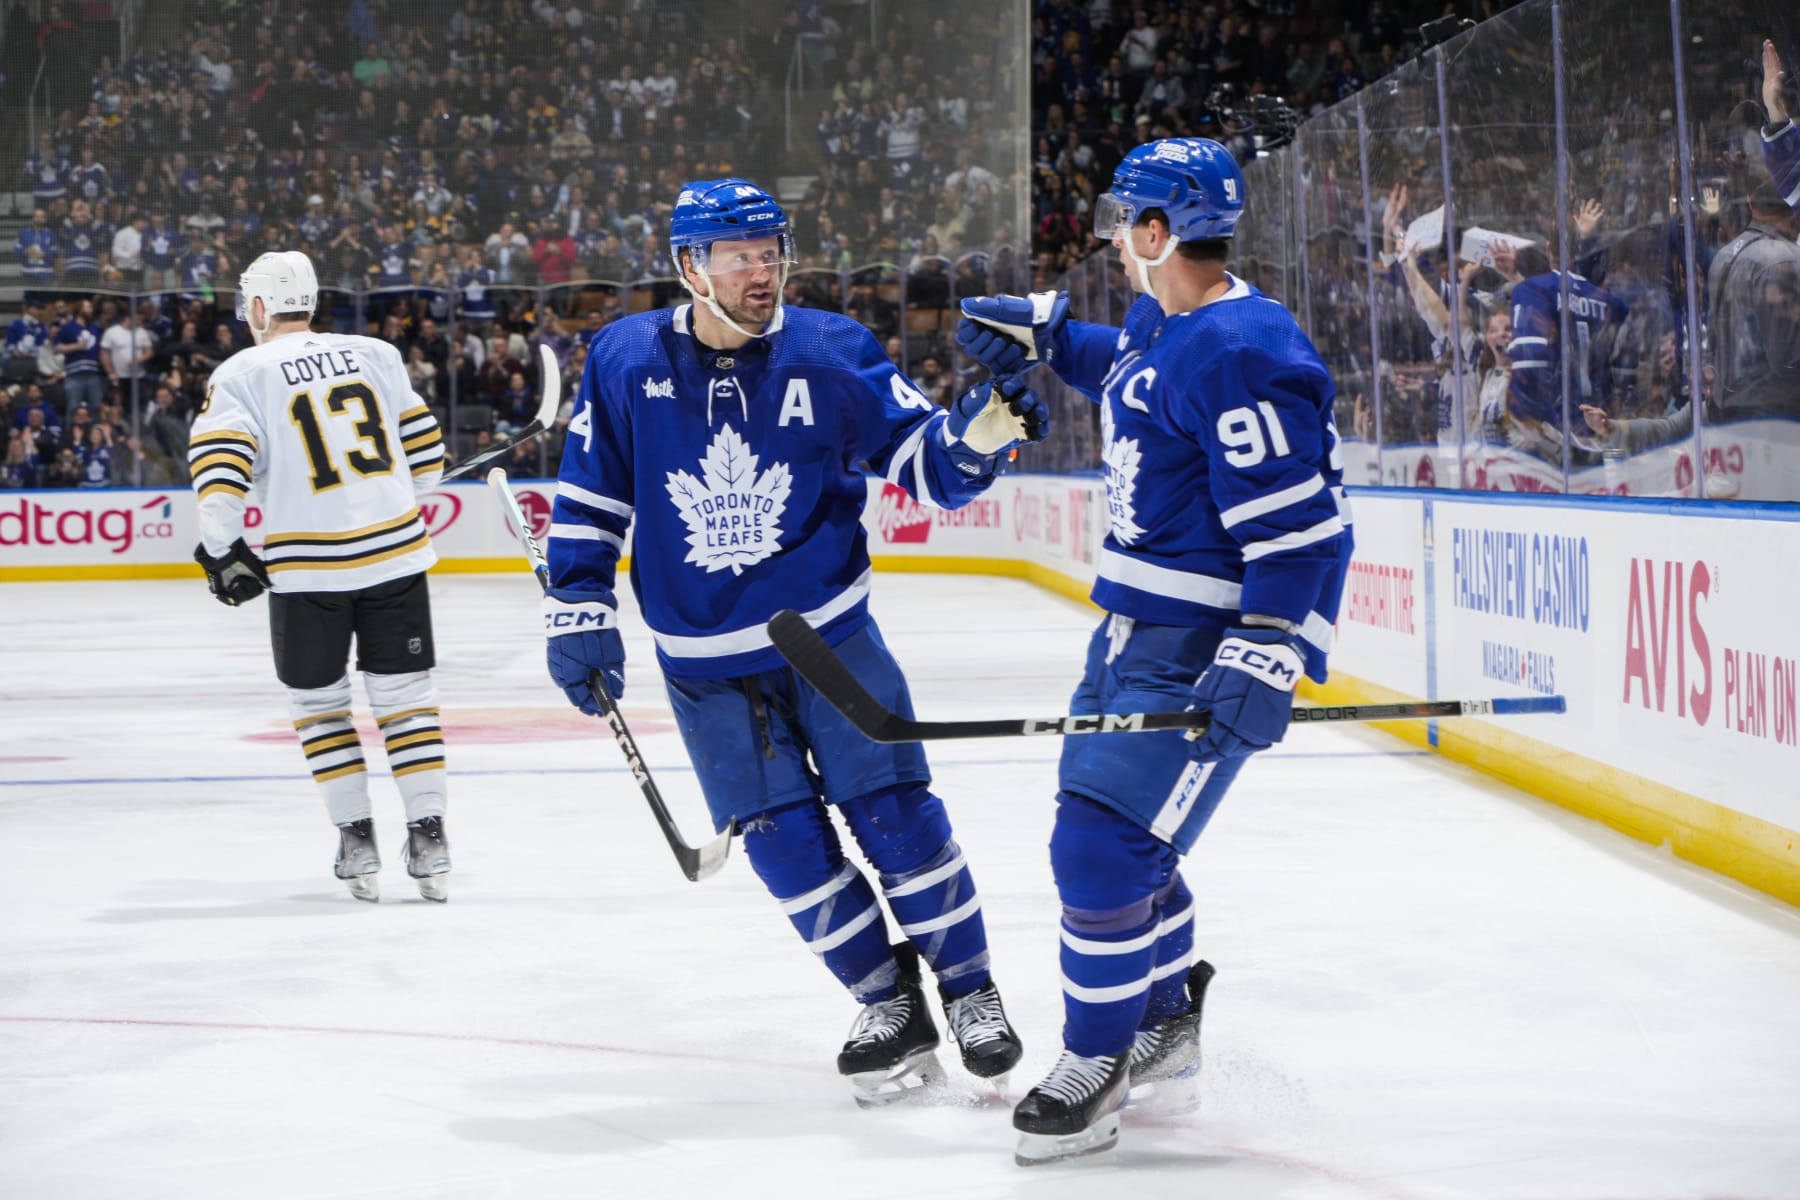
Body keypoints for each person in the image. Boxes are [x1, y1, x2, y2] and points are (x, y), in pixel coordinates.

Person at [542, 178, 1047, 1104]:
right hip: (703, 668)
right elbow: (591, 495)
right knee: (782, 848)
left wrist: (974, 443)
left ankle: (973, 991)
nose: (762, 271)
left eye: (770, 251)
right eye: (739, 257)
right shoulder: (620, 359)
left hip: (830, 643)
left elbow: (922, 466)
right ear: (690, 266)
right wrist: (577, 605)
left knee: (895, 816)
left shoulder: (831, 349)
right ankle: (884, 998)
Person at [957, 138, 1353, 1165]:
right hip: (1130, 629)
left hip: (1200, 640)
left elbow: (1298, 533)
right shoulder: (1169, 319)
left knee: (1098, 849)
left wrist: (1265, 647)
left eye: (1123, 222)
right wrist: (1050, 338)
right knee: (1127, 843)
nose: (1113, 241)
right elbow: (1133, 373)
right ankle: (1165, 1020)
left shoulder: (1241, 351)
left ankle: (1098, 1063)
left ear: (1156, 231)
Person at [187, 250, 454, 904]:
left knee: (319, 706)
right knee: (406, 702)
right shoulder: (377, 354)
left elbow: (219, 477)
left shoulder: (242, 371)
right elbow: (428, 467)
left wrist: (221, 551)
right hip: (395, 558)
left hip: (307, 571)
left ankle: (355, 838)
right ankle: (429, 840)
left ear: (257, 308)